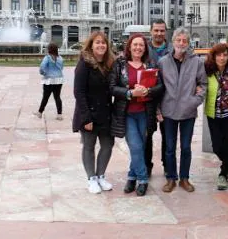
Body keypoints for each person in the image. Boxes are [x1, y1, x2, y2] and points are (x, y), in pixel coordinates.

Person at [110, 33, 164, 197]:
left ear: (145, 48)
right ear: (129, 46)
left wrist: (149, 90)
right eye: (135, 45)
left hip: (145, 113)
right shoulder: (120, 64)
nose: (138, 48)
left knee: (140, 146)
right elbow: (112, 87)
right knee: (135, 145)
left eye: (141, 45)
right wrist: (130, 93)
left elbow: (160, 87)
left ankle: (131, 176)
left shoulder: (150, 64)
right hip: (127, 113)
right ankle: (142, 179)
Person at [158, 28, 207, 193]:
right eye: (178, 40)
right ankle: (171, 178)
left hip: (188, 112)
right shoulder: (163, 62)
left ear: (188, 43)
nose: (181, 44)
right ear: (173, 42)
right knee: (170, 147)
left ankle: (184, 178)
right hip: (168, 111)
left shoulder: (197, 62)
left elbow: (203, 84)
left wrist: (194, 101)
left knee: (186, 147)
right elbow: (158, 87)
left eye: (184, 41)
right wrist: (159, 108)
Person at [72, 31, 115, 194]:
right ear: (91, 45)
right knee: (89, 146)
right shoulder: (84, 63)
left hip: (105, 113)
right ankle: (91, 179)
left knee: (107, 145)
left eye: (103, 43)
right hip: (88, 113)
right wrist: (86, 117)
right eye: (97, 42)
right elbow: (79, 92)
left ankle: (101, 176)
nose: (101, 45)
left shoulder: (110, 63)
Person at [204, 43, 228, 190]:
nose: (222, 58)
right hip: (213, 114)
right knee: (217, 146)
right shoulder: (208, 71)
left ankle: (223, 174)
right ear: (213, 56)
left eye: (225, 54)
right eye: (219, 55)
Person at [145, 19, 169, 177]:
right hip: (148, 100)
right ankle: (147, 166)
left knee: (168, 136)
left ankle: (168, 166)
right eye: (156, 30)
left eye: (162, 30)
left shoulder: (173, 49)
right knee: (147, 135)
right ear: (151, 31)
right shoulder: (143, 49)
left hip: (168, 99)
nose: (159, 33)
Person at [34, 42, 64, 120]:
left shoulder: (47, 58)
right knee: (57, 97)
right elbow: (62, 67)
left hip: (49, 80)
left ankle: (40, 113)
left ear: (49, 49)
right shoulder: (60, 58)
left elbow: (42, 67)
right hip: (59, 79)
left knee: (45, 97)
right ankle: (59, 115)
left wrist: (44, 73)